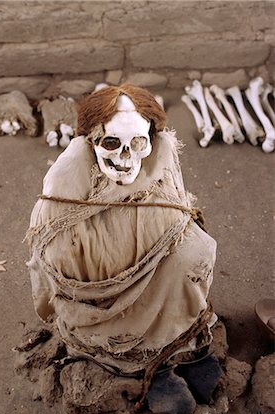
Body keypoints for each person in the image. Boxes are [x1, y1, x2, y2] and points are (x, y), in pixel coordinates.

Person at [26, 84, 217, 388]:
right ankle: (129, 355)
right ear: (92, 141)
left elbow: (179, 221)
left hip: (165, 299)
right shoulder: (66, 184)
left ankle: (172, 340)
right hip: (98, 315)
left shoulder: (162, 162)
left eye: (138, 143)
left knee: (193, 250)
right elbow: (53, 258)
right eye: (112, 142)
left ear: (151, 140)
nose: (126, 157)